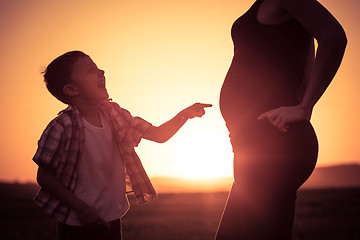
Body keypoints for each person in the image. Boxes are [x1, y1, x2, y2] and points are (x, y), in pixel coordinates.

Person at [33, 50, 212, 240]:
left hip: (112, 219)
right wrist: (81, 209)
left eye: (98, 67)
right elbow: (44, 177)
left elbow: (159, 135)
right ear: (72, 90)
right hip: (78, 225)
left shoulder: (115, 115)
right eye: (90, 70)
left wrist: (184, 114)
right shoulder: (61, 126)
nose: (101, 71)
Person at [216, 0, 347, 239]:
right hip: (256, 145)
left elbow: (335, 37)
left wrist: (304, 108)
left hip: (273, 144)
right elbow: (306, 67)